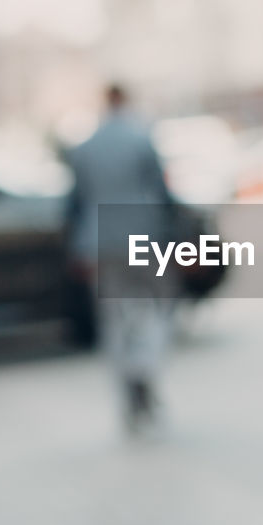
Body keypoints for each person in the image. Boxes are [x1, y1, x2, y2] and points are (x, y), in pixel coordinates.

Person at [63, 84, 177, 435]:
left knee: (113, 320)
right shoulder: (141, 139)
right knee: (153, 310)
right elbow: (162, 193)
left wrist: (74, 250)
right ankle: (143, 368)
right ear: (125, 100)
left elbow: (75, 203)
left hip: (99, 243)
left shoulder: (85, 147)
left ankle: (127, 385)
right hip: (144, 236)